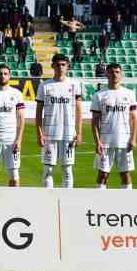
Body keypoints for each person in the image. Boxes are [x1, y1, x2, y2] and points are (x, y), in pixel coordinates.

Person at [35, 53, 82, 188]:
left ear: (67, 67)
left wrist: (78, 133)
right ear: (52, 66)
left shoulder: (74, 85)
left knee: (67, 171)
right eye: (58, 64)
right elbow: (38, 111)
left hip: (68, 134)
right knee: (48, 170)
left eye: (63, 65)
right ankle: (47, 201)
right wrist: (39, 133)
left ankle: (67, 201)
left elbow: (78, 110)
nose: (60, 67)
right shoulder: (45, 86)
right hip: (50, 133)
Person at [90, 63, 137, 189]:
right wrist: (97, 142)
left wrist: (133, 139)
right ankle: (99, 203)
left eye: (117, 72)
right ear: (106, 74)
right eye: (111, 72)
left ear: (121, 74)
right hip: (105, 142)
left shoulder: (129, 93)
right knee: (102, 174)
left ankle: (127, 203)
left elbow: (133, 118)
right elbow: (95, 121)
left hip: (125, 141)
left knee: (125, 174)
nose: (114, 74)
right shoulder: (99, 95)